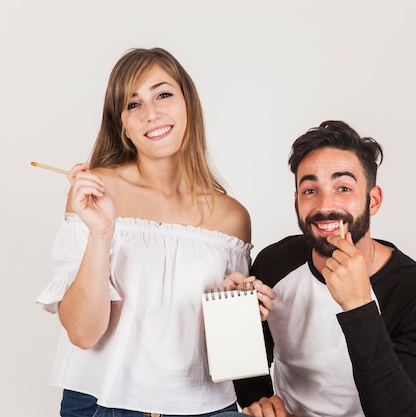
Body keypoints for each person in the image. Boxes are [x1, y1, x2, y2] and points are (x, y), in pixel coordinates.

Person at [36, 47, 275, 417]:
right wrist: (101, 233)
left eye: (163, 94)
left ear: (188, 104)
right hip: (104, 405)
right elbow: (83, 334)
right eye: (133, 104)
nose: (152, 114)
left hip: (209, 408)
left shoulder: (232, 217)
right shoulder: (96, 193)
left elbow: (227, 353)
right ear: (122, 125)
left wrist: (240, 307)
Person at [234, 120, 416, 417]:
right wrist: (259, 397)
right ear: (296, 202)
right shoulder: (275, 263)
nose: (325, 205)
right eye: (310, 190)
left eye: (343, 187)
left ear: (373, 200)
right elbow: (248, 366)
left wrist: (358, 305)